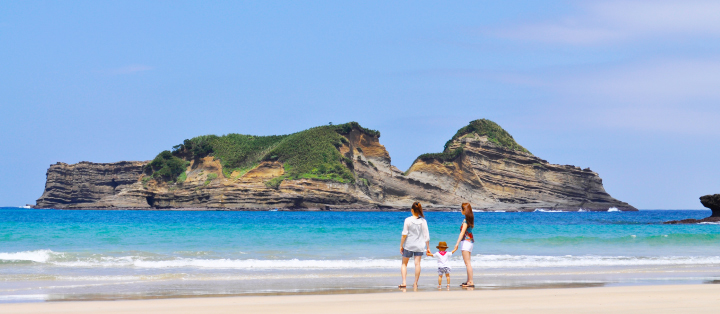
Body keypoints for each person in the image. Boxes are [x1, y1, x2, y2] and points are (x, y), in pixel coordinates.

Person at [399, 202, 431, 288]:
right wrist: (428, 247)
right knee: (417, 264)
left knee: (404, 264)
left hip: (409, 245)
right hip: (419, 246)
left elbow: (404, 234)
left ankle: (404, 282)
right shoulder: (423, 221)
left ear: (412, 210)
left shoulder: (407, 220)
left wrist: (401, 245)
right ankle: (415, 283)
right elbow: (426, 235)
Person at [453, 203, 475, 288]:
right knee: (468, 263)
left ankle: (471, 282)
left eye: (461, 209)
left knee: (467, 263)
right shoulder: (469, 219)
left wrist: (457, 243)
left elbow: (462, 233)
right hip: (470, 242)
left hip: (466, 242)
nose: (460, 211)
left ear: (464, 210)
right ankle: (468, 281)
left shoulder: (466, 221)